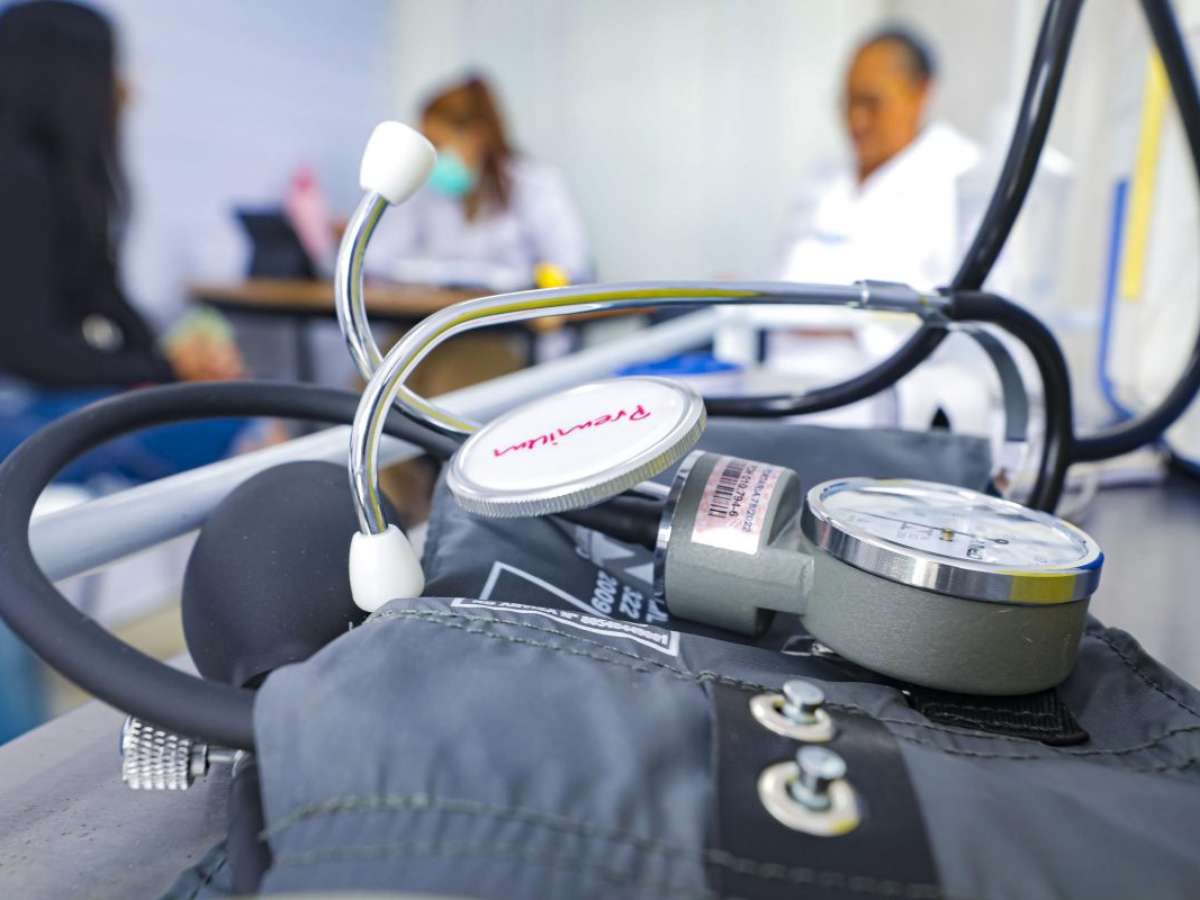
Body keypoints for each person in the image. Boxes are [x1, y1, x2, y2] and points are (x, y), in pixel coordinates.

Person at [0, 0, 246, 485]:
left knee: (232, 413)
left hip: (34, 402)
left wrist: (174, 360)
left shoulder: (58, 185)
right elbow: (27, 350)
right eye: (113, 67)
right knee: (241, 430)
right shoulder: (17, 183)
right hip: (14, 412)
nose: (127, 87)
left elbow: (104, 299)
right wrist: (165, 367)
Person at [777, 25, 980, 295]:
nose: (857, 120)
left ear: (921, 92)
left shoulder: (964, 176)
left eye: (872, 103)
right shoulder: (823, 176)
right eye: (849, 102)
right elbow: (782, 272)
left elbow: (965, 300)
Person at [365, 74, 590, 292]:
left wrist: (513, 279)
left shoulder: (536, 185)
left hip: (515, 316)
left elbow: (571, 267)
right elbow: (376, 259)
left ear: (477, 137)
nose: (432, 157)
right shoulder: (423, 189)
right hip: (434, 315)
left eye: (437, 145)